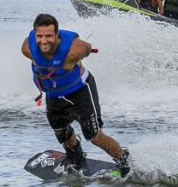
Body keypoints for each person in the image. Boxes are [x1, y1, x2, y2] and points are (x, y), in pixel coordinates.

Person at [22, 13, 131, 177]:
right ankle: (76, 160)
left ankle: (123, 160)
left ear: (57, 35)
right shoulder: (27, 48)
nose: (44, 41)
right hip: (54, 94)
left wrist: (74, 55)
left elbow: (87, 48)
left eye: (49, 36)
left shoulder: (74, 50)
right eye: (40, 36)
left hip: (80, 91)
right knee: (61, 132)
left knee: (94, 136)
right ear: (35, 34)